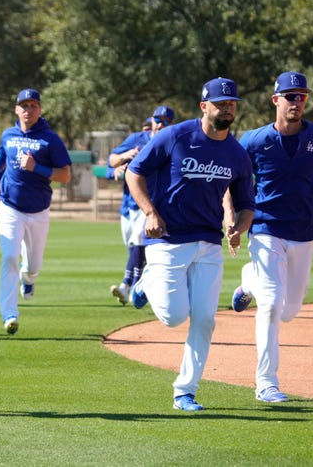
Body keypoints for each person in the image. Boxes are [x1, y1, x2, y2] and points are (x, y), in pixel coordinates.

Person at [125, 77, 255, 412]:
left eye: (232, 104)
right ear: (204, 106)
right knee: (173, 317)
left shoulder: (237, 153)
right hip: (168, 239)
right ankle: (147, 281)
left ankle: (185, 391)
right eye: (221, 103)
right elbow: (133, 173)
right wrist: (150, 212)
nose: (228, 109)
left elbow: (247, 205)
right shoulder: (175, 136)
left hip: (209, 242)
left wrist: (239, 227)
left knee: (205, 320)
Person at [229, 71, 313, 403]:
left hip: (304, 232)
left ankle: (248, 281)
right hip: (265, 229)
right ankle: (266, 383)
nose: (296, 102)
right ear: (275, 100)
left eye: (301, 97)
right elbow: (232, 177)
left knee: (289, 310)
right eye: (290, 96)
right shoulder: (253, 140)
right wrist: (232, 217)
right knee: (269, 306)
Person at [0, 88, 71, 334]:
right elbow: (2, 153)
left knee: (33, 265)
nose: (28, 110)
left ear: (39, 109)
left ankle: (29, 279)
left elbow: (65, 175)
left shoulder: (50, 139)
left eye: (33, 105)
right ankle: (9, 313)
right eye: (24, 105)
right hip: (10, 208)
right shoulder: (9, 134)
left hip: (38, 211)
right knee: (9, 257)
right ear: (16, 109)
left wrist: (37, 168)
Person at [108, 106, 174, 305]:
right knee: (133, 247)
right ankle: (141, 285)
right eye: (157, 119)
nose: (160, 123)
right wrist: (125, 157)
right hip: (128, 205)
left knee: (138, 240)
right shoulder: (137, 139)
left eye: (165, 120)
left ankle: (128, 284)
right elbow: (111, 161)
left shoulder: (170, 142)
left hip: (150, 203)